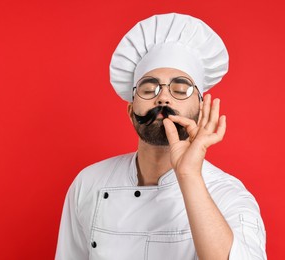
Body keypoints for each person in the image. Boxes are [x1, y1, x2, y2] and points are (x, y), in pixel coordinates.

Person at [55, 13, 266, 260]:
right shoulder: (89, 183)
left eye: (180, 89)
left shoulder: (228, 195)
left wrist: (188, 175)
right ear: (131, 110)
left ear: (200, 110)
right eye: (149, 88)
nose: (163, 98)